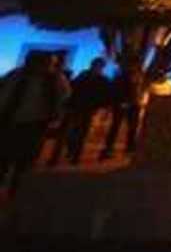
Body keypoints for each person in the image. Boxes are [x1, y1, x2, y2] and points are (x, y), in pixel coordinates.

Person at [0, 52, 71, 193]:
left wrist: (55, 116)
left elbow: (64, 97)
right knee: (4, 155)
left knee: (24, 158)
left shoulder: (54, 80)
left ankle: (16, 188)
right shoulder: (16, 75)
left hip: (34, 123)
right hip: (11, 119)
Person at [48, 58, 112, 166]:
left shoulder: (102, 80)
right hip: (75, 106)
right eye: (95, 65)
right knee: (67, 132)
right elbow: (73, 88)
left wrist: (99, 106)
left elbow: (104, 95)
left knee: (81, 132)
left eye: (98, 66)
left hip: (88, 108)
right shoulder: (83, 75)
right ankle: (59, 156)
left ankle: (75, 156)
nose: (96, 67)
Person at [100, 58, 144, 160]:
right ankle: (112, 148)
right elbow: (118, 91)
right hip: (124, 105)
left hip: (131, 105)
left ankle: (127, 147)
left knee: (129, 127)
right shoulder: (123, 78)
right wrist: (123, 102)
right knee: (117, 126)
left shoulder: (135, 78)